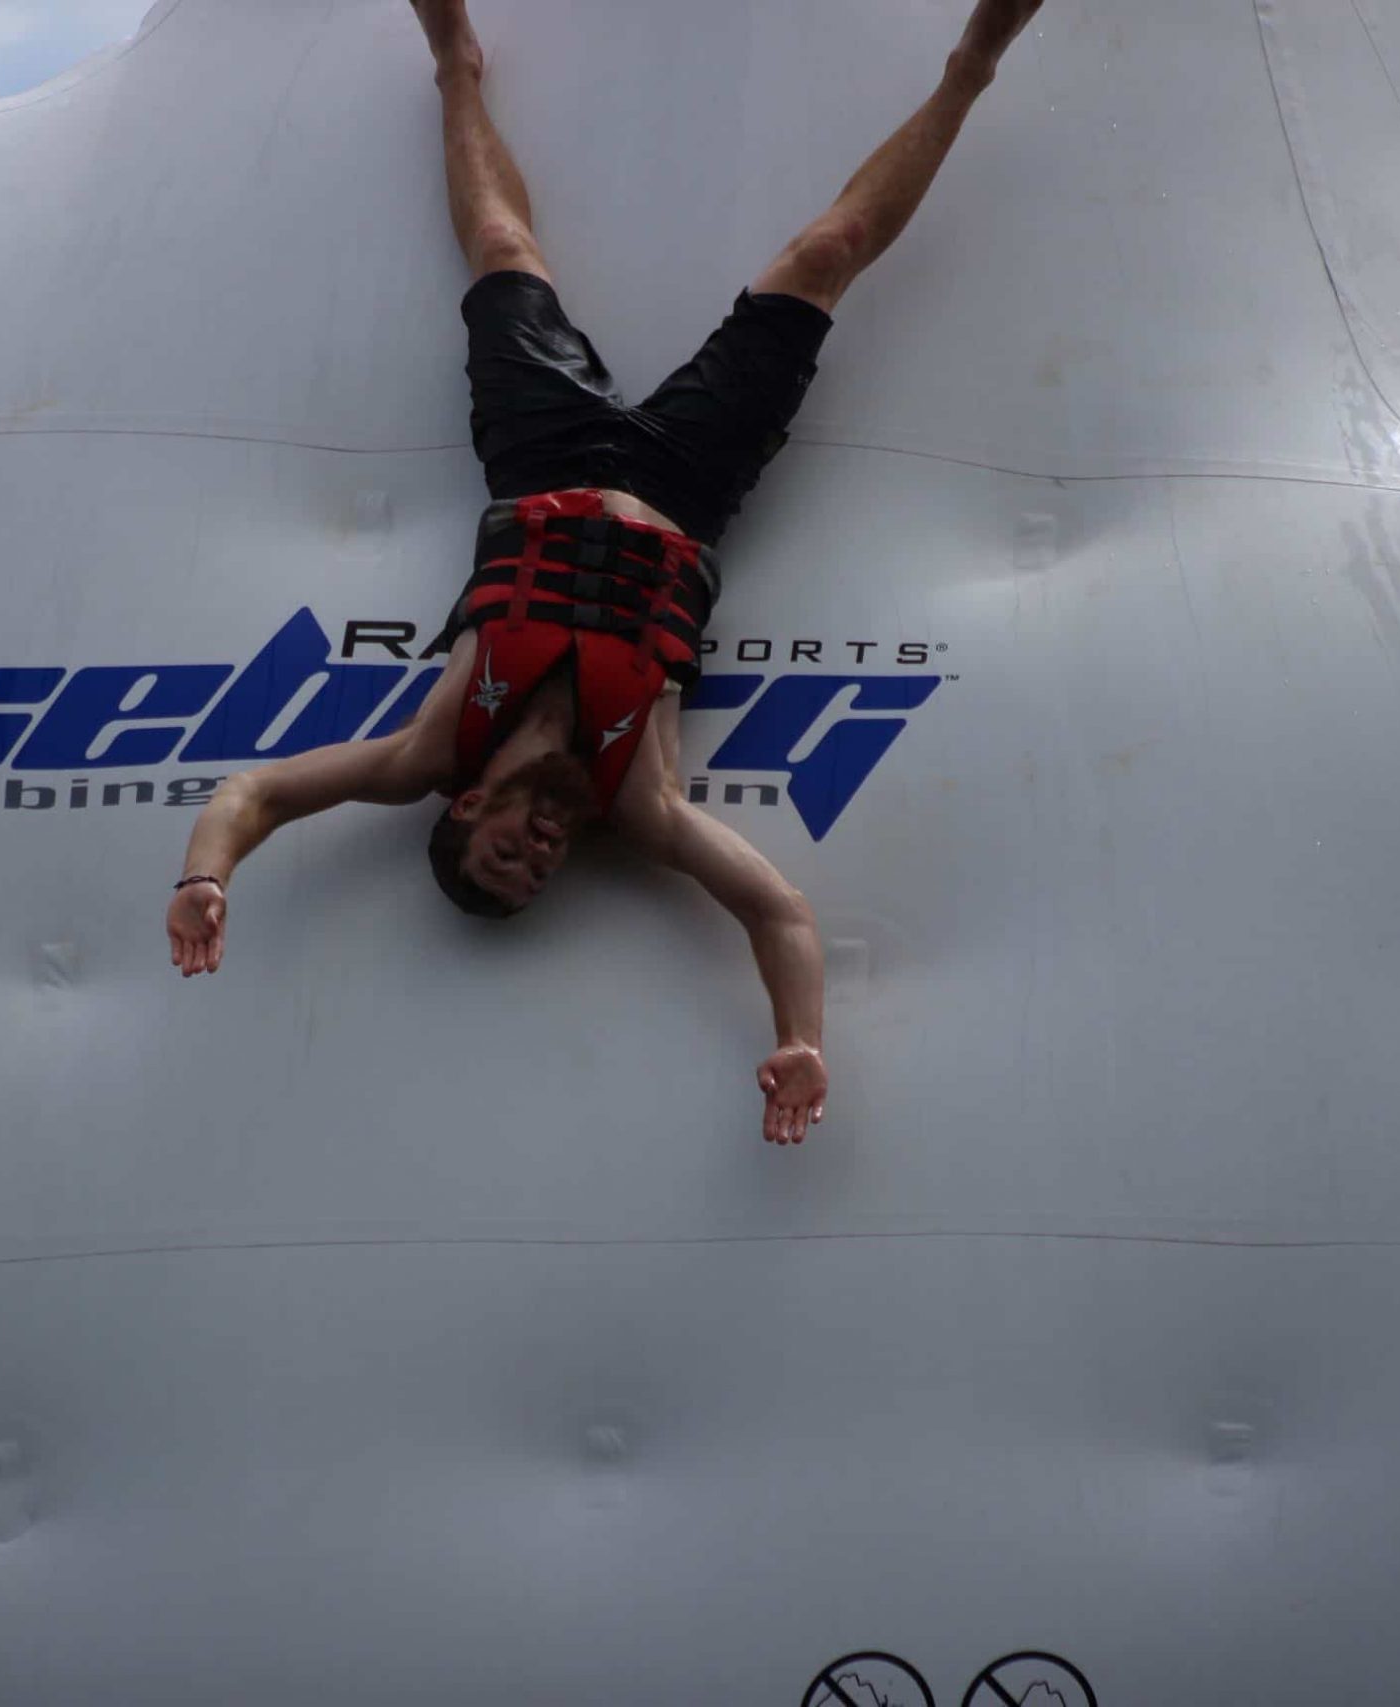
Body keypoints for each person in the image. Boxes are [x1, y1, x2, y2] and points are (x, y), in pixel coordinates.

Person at [166, 0, 1045, 1146]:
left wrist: (205, 878)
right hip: (688, 487)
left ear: (467, 808)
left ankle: (453, 63)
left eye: (506, 854)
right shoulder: (641, 801)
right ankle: (974, 63)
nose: (540, 855)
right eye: (538, 876)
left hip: (541, 463)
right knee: (824, 257)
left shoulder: (429, 752)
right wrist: (799, 1038)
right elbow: (776, 910)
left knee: (501, 251)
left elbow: (254, 794)